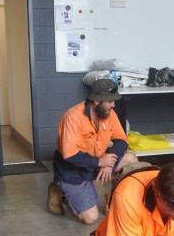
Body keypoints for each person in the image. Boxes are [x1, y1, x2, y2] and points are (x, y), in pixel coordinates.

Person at [47, 79, 138, 224]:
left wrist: (108, 162)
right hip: (72, 169)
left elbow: (122, 140)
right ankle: (59, 191)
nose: (113, 104)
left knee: (131, 159)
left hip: (98, 161)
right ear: (96, 100)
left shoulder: (109, 114)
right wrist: (100, 162)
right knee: (90, 218)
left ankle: (112, 196)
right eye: (109, 101)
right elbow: (69, 154)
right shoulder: (72, 116)